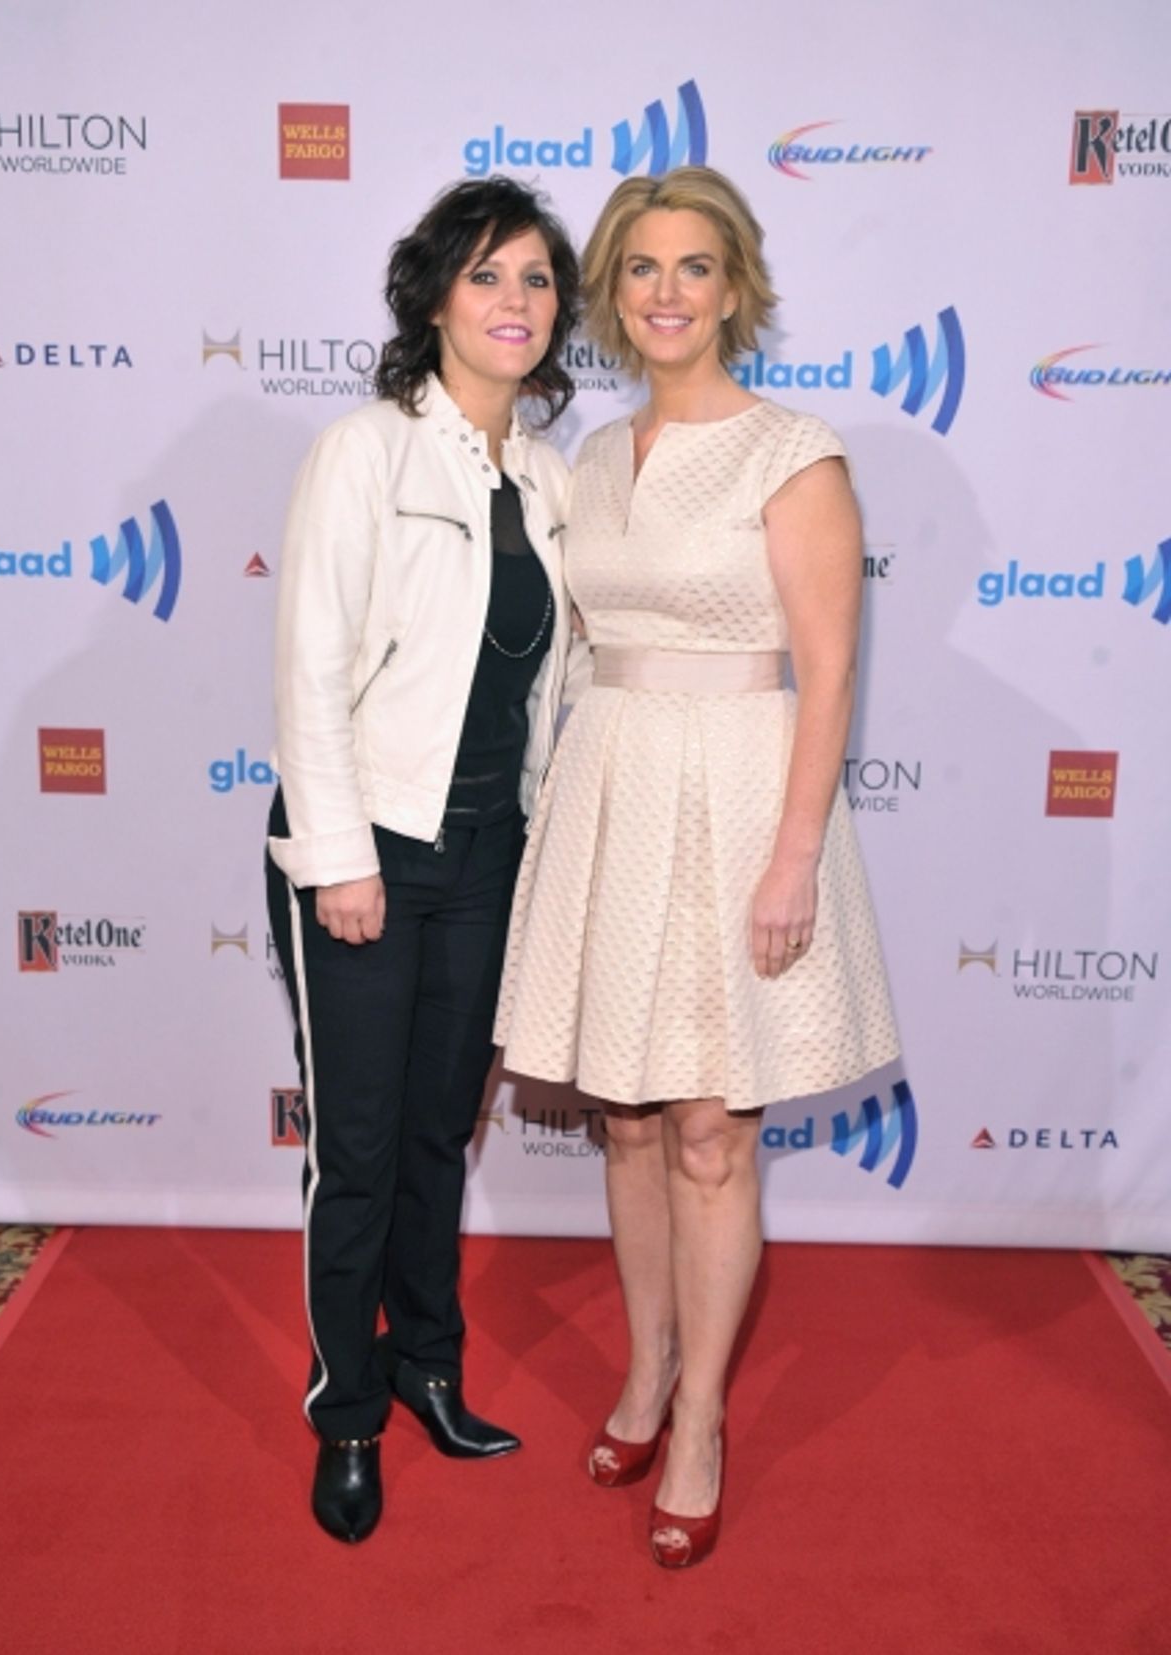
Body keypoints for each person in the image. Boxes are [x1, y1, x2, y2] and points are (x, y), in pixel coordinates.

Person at [495, 166, 900, 1568]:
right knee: (623, 1120)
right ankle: (646, 1367)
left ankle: (708, 1414)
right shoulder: (595, 457)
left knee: (716, 1131)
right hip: (613, 791)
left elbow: (831, 674)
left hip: (737, 799)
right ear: (612, 291)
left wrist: (791, 860)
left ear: (735, 286)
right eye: (642, 268)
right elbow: (581, 653)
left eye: (694, 267)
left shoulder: (797, 451)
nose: (666, 292)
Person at [266, 176, 581, 1545]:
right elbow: (311, 672)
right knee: (361, 1151)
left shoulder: (555, 478)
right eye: (487, 275)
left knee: (442, 1136)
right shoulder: (365, 451)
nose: (515, 302)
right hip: (368, 851)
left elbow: (553, 695)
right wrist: (341, 857)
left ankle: (428, 1369)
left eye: (537, 280)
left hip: (487, 854)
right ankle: (346, 1414)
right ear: (434, 297)